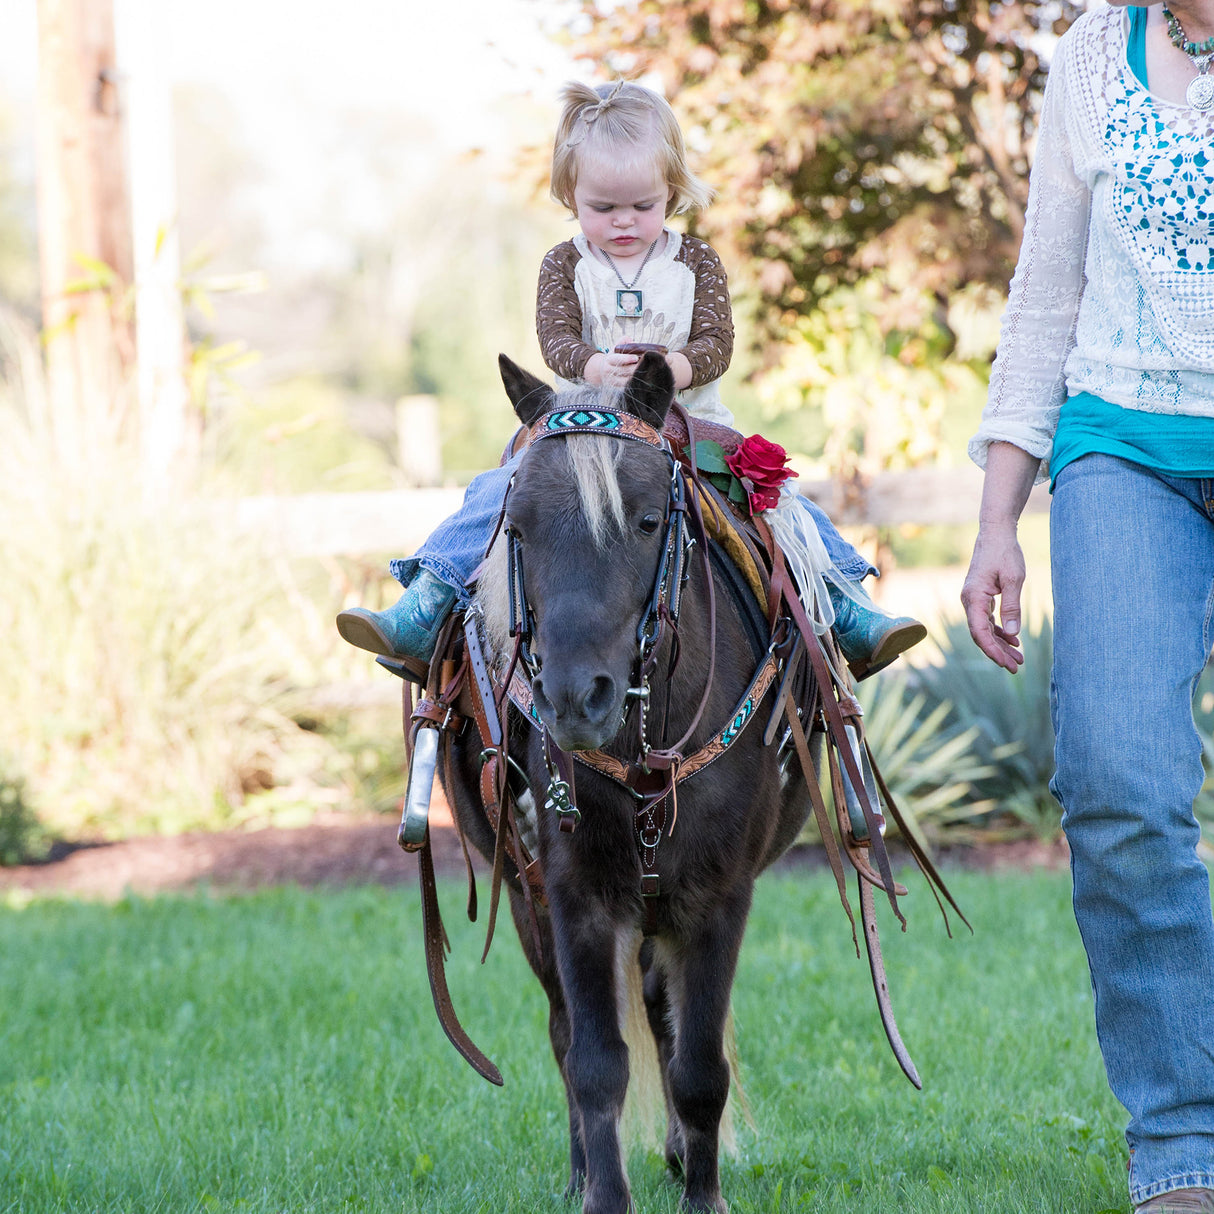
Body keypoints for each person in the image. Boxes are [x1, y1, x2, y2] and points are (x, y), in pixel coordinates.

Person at [337, 80, 924, 681]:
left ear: (671, 189)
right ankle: (428, 602)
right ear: (571, 194)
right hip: (584, 421)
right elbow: (556, 339)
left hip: (689, 419)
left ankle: (849, 603)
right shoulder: (565, 264)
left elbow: (717, 343)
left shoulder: (694, 262)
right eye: (603, 208)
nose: (624, 222)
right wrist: (591, 366)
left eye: (643, 206)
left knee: (776, 500)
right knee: (503, 488)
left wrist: (675, 367)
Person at [961, 4, 1214, 1211]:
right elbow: (1044, 293)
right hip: (1121, 446)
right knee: (1116, 776)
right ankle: (1180, 1143)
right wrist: (995, 516)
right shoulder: (1082, 57)